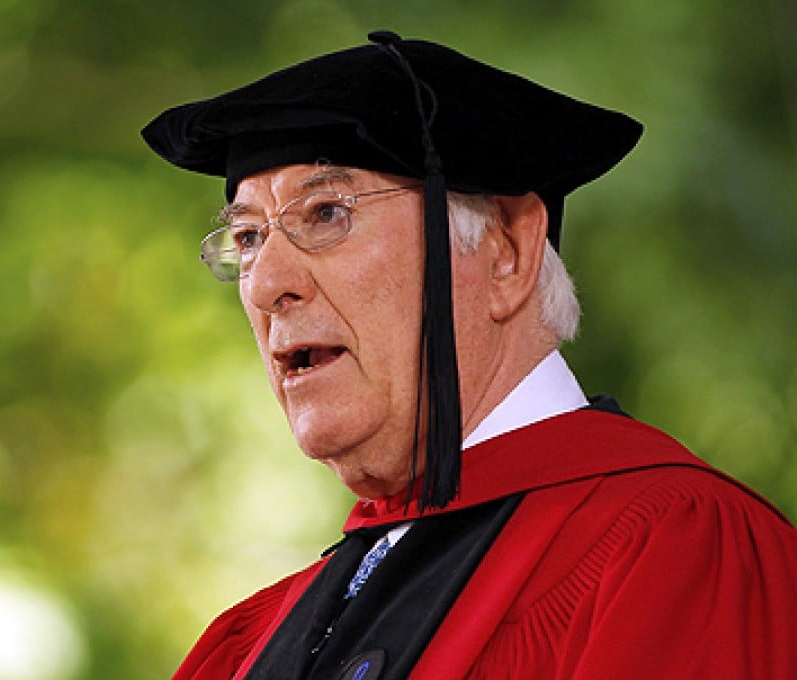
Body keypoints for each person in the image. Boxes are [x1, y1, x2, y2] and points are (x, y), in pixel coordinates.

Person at [142, 31, 797, 679]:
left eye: (326, 213)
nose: (264, 284)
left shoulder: (674, 551)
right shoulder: (250, 645)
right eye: (248, 237)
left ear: (506, 251)